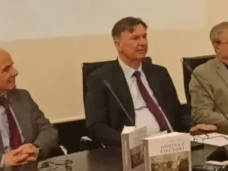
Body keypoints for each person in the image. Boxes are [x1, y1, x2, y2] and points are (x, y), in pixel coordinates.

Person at [84, 16, 216, 146]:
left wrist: (191, 127)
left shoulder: (159, 73)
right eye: (135, 38)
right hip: (132, 149)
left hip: (172, 144)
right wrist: (126, 141)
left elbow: (177, 112)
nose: (143, 42)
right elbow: (96, 126)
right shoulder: (101, 79)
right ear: (118, 45)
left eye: (144, 36)